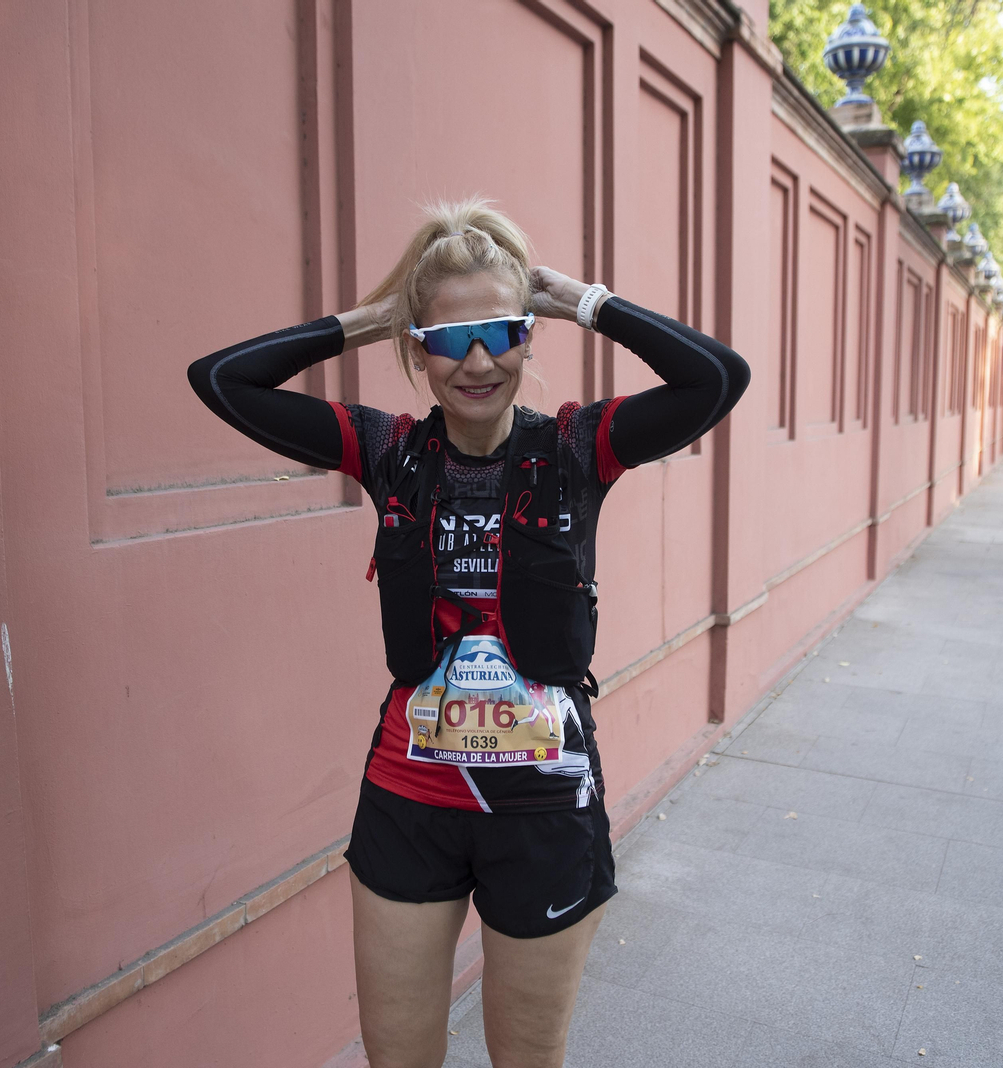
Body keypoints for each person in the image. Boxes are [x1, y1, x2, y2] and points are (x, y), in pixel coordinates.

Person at [187, 199, 748, 1068]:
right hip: (410, 800)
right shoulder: (389, 450)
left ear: (529, 336)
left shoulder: (577, 446)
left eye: (500, 332)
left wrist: (589, 303)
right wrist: (369, 320)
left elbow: (718, 379)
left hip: (544, 805)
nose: (478, 360)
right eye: (448, 337)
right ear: (419, 348)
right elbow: (221, 380)